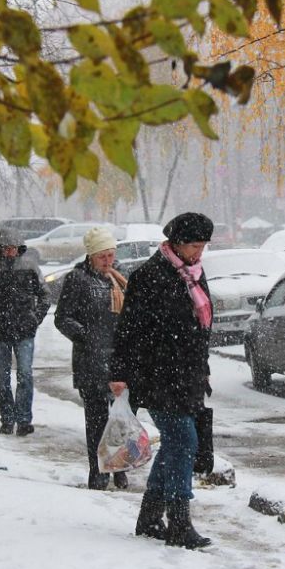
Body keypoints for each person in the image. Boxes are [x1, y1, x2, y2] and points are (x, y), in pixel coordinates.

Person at [109, 212, 214, 549]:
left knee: (175, 443)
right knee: (183, 441)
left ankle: (150, 516)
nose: (199, 252)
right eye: (194, 245)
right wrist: (119, 373)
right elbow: (129, 330)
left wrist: (203, 369)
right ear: (177, 243)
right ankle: (179, 521)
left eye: (203, 246)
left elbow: (200, 330)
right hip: (157, 375)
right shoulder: (150, 276)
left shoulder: (193, 275)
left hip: (188, 376)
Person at [54, 227, 129, 490]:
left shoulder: (119, 278)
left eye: (111, 255)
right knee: (97, 422)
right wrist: (88, 337)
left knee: (120, 420)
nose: (108, 261)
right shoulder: (77, 279)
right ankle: (98, 472)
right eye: (102, 257)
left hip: (120, 361)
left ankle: (119, 468)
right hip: (91, 363)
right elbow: (62, 318)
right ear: (91, 256)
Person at [0, 223, 51, 436]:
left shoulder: (29, 268)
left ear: (19, 248)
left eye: (13, 247)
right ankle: (7, 419)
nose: (9, 251)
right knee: (2, 379)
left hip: (24, 331)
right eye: (6, 247)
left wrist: (35, 318)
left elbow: (45, 295)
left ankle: (24, 419)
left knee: (25, 375)